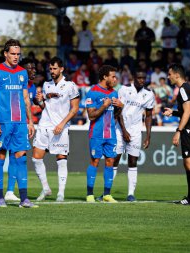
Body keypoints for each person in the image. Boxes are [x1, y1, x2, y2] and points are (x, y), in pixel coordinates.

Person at [0, 56, 37, 203]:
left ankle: (16, 194)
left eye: (34, 68)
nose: (32, 71)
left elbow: (27, 101)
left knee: (19, 158)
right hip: (4, 121)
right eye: (30, 68)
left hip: (20, 123)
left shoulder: (30, 84)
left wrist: (31, 121)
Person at [32, 57, 80, 202]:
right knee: (36, 158)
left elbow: (75, 109)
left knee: (61, 160)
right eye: (50, 69)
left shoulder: (70, 86)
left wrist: (62, 124)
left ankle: (61, 193)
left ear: (61, 69)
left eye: (54, 69)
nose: (52, 71)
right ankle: (46, 189)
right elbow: (44, 107)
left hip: (60, 128)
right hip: (44, 125)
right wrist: (40, 100)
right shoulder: (46, 85)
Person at [163, 63, 190, 206]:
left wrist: (178, 131)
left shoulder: (183, 90)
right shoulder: (187, 89)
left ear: (177, 75)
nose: (168, 77)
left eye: (169, 74)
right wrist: (173, 112)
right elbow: (187, 110)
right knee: (188, 163)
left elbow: (188, 112)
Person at [111, 70, 154, 201]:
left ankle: (131, 194)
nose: (142, 80)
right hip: (120, 129)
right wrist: (124, 131)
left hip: (135, 131)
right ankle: (107, 192)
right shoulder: (124, 89)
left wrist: (148, 136)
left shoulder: (149, 94)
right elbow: (118, 111)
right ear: (134, 78)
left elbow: (149, 116)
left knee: (133, 162)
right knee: (114, 160)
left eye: (144, 78)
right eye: (139, 77)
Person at [84, 65, 123, 203]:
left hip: (110, 133)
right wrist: (104, 106)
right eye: (112, 76)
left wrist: (120, 107)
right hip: (97, 133)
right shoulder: (93, 92)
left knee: (110, 161)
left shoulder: (114, 93)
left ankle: (107, 194)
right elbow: (91, 116)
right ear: (105, 77)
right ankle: (89, 194)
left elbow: (116, 115)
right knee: (94, 161)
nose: (115, 79)